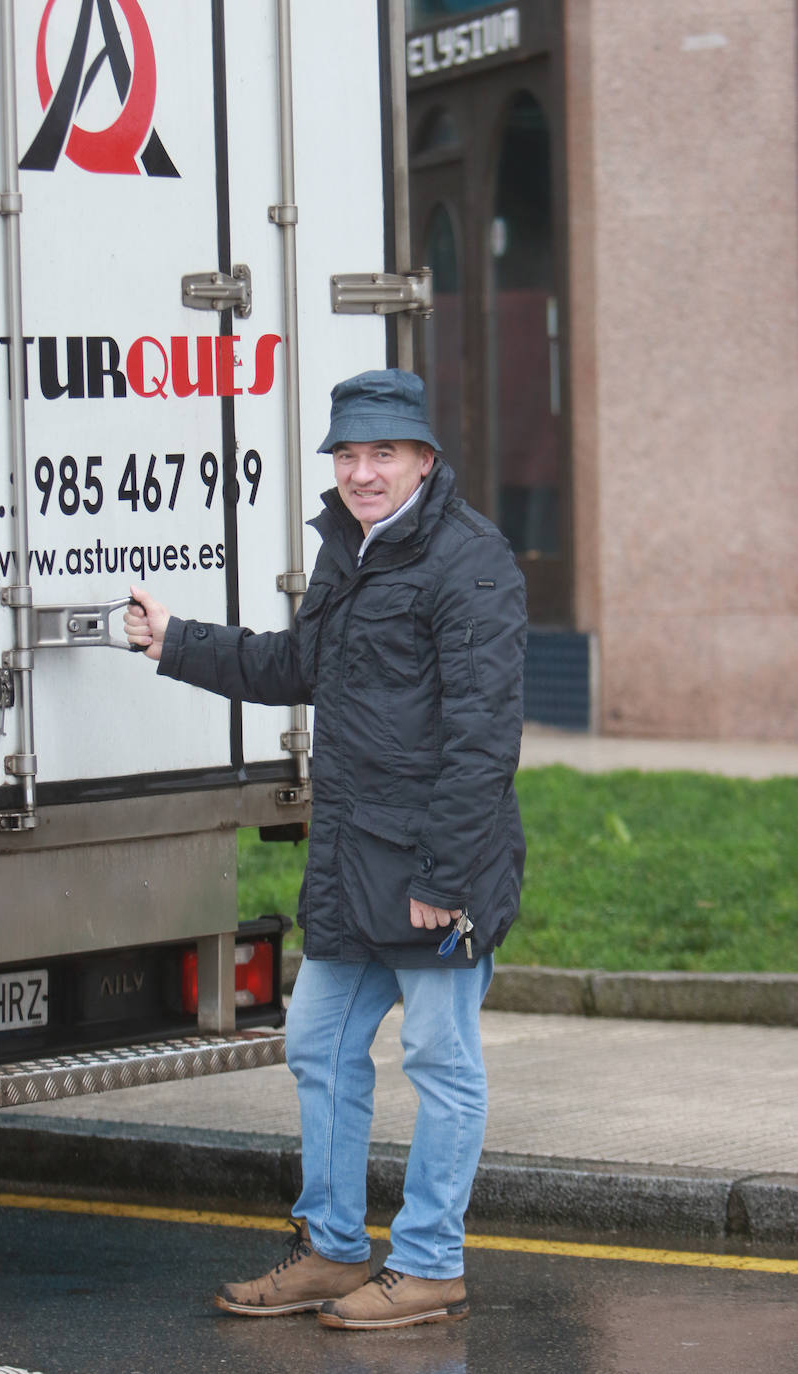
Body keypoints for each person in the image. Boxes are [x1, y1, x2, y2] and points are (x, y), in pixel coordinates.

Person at [124, 368, 526, 1331]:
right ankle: (336, 1251)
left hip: (432, 873)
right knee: (318, 1046)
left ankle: (430, 1265)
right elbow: (295, 666)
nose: (362, 471)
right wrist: (176, 640)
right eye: (348, 454)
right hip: (353, 867)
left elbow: (483, 738)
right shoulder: (350, 551)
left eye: (383, 452)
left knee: (441, 1060)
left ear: (425, 459)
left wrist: (445, 878)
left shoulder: (471, 563)